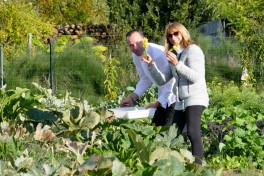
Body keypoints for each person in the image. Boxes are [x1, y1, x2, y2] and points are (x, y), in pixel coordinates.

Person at [142, 22, 209, 165]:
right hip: (181, 100)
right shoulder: (175, 54)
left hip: (195, 97)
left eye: (175, 33)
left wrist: (178, 64)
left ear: (182, 33)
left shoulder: (193, 50)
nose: (173, 37)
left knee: (192, 132)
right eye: (169, 35)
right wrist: (151, 66)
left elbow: (196, 77)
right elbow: (162, 80)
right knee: (174, 135)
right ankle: (173, 163)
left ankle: (198, 166)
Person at [120, 29, 176, 127]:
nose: (135, 47)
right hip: (163, 98)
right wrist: (131, 98)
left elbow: (172, 82)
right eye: (131, 45)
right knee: (156, 129)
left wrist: (156, 104)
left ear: (144, 40)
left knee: (168, 133)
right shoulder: (136, 55)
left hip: (175, 98)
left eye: (138, 43)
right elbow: (145, 79)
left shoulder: (159, 54)